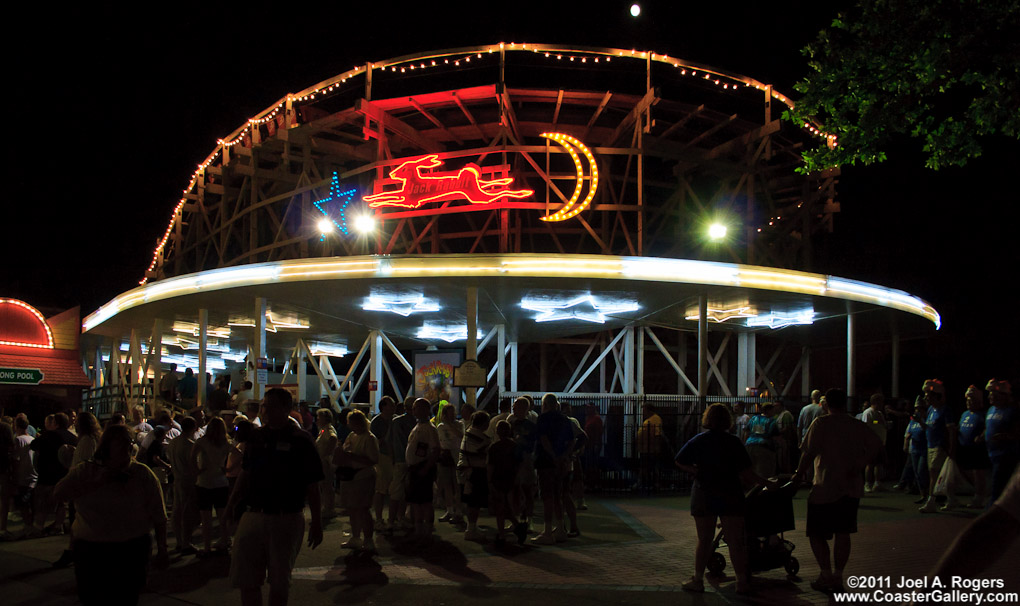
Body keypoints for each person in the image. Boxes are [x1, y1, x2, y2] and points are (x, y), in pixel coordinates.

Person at [226, 388, 323, 606]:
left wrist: (316, 521)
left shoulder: (302, 441)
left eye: (270, 406)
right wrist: (231, 504)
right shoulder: (257, 437)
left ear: (286, 409)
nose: (265, 410)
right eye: (264, 406)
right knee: (246, 578)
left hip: (286, 517)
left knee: (279, 581)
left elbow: (312, 485)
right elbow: (246, 472)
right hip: (253, 513)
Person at [54, 425, 168, 606]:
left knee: (127, 598)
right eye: (121, 444)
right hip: (93, 550)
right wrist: (97, 482)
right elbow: (59, 493)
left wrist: (162, 547)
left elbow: (158, 514)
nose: (127, 448)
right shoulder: (86, 471)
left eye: (128, 443)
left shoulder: (141, 473)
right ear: (107, 446)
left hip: (131, 548)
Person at [675, 403, 773, 594]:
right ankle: (741, 581)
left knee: (704, 539)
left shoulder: (699, 440)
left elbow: (679, 459)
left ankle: (697, 578)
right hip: (730, 492)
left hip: (704, 491)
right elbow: (746, 472)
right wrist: (765, 482)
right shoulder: (733, 442)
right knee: (735, 540)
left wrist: (695, 470)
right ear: (727, 420)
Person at [793, 388, 884, 594]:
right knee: (844, 532)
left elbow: (808, 453)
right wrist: (861, 462)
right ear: (845, 403)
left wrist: (798, 475)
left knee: (816, 533)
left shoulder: (821, 424)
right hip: (850, 487)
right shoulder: (856, 425)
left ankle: (825, 572)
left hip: (824, 486)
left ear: (826, 405)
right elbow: (877, 444)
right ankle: (838, 575)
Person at [531, 393, 575, 545]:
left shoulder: (543, 418)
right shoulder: (564, 419)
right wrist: (563, 456)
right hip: (561, 463)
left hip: (546, 462)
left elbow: (543, 439)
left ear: (545, 405)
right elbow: (572, 441)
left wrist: (553, 455)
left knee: (547, 497)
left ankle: (548, 531)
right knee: (558, 495)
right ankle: (561, 529)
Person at [335, 409, 379, 552]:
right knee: (352, 508)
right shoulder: (352, 435)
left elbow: (373, 460)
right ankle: (355, 537)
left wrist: (351, 455)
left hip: (363, 476)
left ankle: (368, 539)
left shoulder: (369, 438)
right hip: (350, 476)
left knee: (363, 509)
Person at [30, 411, 77, 536]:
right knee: (61, 503)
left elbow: (33, 445)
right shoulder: (72, 438)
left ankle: (38, 527)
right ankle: (58, 526)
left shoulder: (48, 435)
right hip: (63, 474)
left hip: (46, 475)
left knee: (43, 503)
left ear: (55, 422)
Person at [191, 416, 232, 554]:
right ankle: (224, 542)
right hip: (221, 482)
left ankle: (207, 546)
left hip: (204, 482)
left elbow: (192, 457)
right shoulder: (225, 443)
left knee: (206, 518)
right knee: (222, 516)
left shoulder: (202, 441)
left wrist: (197, 470)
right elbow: (240, 454)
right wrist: (228, 469)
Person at [917, 379, 957, 513]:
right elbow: (927, 428)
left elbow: (951, 430)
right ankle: (951, 499)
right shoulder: (930, 410)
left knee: (934, 473)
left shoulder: (945, 410)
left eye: (929, 396)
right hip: (930, 445)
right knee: (939, 474)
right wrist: (920, 422)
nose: (926, 398)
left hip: (940, 446)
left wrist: (951, 447)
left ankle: (931, 501)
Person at [405, 398, 440, 542]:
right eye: (414, 408)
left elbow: (436, 449)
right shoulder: (418, 426)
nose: (414, 410)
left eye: (417, 408)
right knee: (416, 501)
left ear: (426, 409)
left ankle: (427, 531)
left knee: (425, 501)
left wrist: (426, 468)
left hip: (422, 468)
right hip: (415, 468)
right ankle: (419, 529)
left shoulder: (430, 429)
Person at [488, 419, 524, 545]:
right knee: (508, 506)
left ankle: (502, 533)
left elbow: (491, 466)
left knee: (500, 507)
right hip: (511, 478)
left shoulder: (494, 447)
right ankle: (517, 526)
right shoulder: (514, 446)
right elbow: (519, 463)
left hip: (498, 479)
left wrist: (489, 481)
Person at [167, 416, 200, 553]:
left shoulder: (173, 443)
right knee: (189, 513)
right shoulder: (189, 445)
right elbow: (194, 466)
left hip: (177, 478)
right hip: (188, 481)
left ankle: (180, 541)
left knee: (177, 512)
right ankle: (186, 541)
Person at [954, 385, 990, 508]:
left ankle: (980, 496)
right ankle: (978, 491)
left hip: (977, 449)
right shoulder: (964, 414)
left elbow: (987, 428)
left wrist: (981, 436)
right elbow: (960, 427)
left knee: (978, 472)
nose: (969, 403)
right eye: (967, 400)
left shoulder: (983, 414)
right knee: (965, 471)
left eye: (972, 400)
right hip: (965, 448)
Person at [385, 398, 418, 532]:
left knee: (396, 492)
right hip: (414, 462)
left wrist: (392, 458)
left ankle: (392, 520)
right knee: (406, 492)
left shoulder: (396, 422)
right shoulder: (417, 423)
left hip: (399, 460)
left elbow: (389, 442)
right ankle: (401, 518)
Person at [985, 379, 1019, 504]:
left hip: (1005, 456)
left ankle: (991, 511)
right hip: (992, 454)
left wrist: (1006, 436)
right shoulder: (991, 410)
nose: (990, 397)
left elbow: (1017, 432)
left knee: (997, 488)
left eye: (993, 394)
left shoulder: (1013, 411)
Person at [459, 411, 491, 541]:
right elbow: (487, 457)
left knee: (471, 502)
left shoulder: (468, 432)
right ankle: (471, 529)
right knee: (475, 502)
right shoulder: (482, 439)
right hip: (476, 472)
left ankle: (471, 526)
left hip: (465, 471)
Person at [510, 396, 538, 533]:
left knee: (527, 491)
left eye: (515, 407)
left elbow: (533, 445)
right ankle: (516, 519)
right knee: (515, 490)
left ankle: (528, 519)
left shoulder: (531, 426)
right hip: (514, 461)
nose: (513, 409)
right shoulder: (511, 423)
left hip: (526, 460)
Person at [436, 401, 464, 524]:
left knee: (457, 485)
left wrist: (451, 425)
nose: (452, 415)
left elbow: (461, 435)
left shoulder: (459, 424)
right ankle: (449, 510)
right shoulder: (440, 427)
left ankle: (458, 511)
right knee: (447, 484)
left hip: (456, 455)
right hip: (445, 455)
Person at [370, 396, 395, 530]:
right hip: (382, 457)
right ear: (383, 407)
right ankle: (379, 518)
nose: (393, 407)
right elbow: (376, 442)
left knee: (394, 489)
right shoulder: (377, 422)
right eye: (390, 404)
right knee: (380, 489)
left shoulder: (395, 420)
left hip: (394, 457)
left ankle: (394, 517)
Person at [902, 398, 930, 504]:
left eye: (920, 409)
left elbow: (928, 430)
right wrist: (906, 443)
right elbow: (908, 433)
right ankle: (923, 494)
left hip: (924, 449)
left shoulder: (927, 419)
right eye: (916, 409)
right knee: (917, 473)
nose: (917, 411)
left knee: (921, 471)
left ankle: (928, 494)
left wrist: (920, 421)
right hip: (914, 449)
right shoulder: (913, 420)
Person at [860, 394, 888, 492]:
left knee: (879, 464)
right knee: (870, 464)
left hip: (881, 442)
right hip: (871, 443)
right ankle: (867, 484)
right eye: (881, 402)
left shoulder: (879, 413)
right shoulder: (868, 412)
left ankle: (877, 483)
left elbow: (882, 425)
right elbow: (866, 426)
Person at [314, 409, 338, 520]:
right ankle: (327, 507)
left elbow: (333, 438)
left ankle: (329, 508)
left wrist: (326, 453)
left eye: (319, 417)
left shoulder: (328, 429)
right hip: (323, 461)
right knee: (325, 485)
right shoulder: (322, 430)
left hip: (326, 462)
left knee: (327, 485)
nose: (317, 419)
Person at [745, 403, 779, 479]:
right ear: (769, 410)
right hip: (764, 447)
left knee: (752, 471)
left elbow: (746, 432)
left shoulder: (754, 418)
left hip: (749, 445)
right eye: (772, 410)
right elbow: (775, 436)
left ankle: (751, 488)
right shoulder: (771, 421)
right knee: (764, 472)